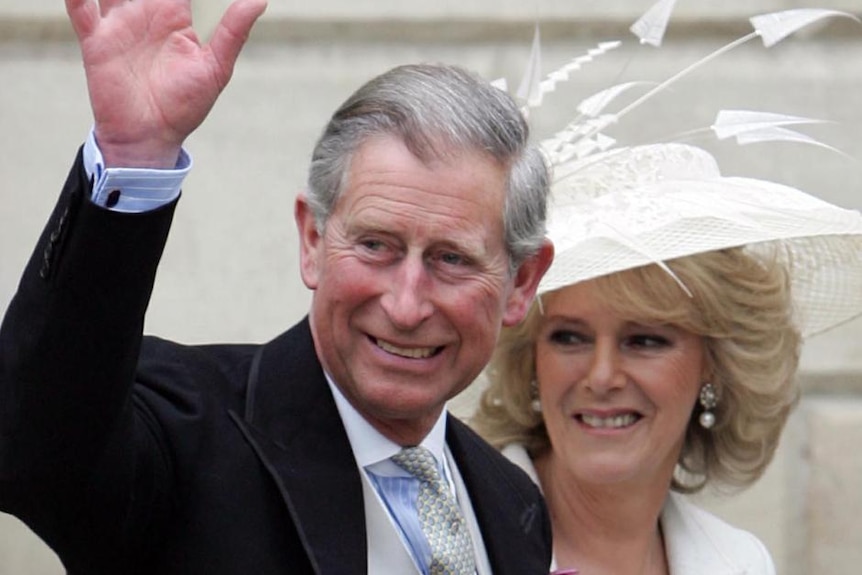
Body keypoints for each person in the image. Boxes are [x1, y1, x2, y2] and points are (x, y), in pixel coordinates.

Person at [0, 0, 555, 573]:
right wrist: (134, 159)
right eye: (374, 246)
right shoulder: (184, 435)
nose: (406, 304)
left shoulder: (512, 502)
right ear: (312, 239)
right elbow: (39, 450)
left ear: (522, 282)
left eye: (451, 259)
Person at [471, 141, 862, 574]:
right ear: (531, 360)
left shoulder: (740, 562)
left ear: (714, 362)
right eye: (568, 337)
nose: (601, 377)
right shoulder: (446, 537)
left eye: (644, 341)